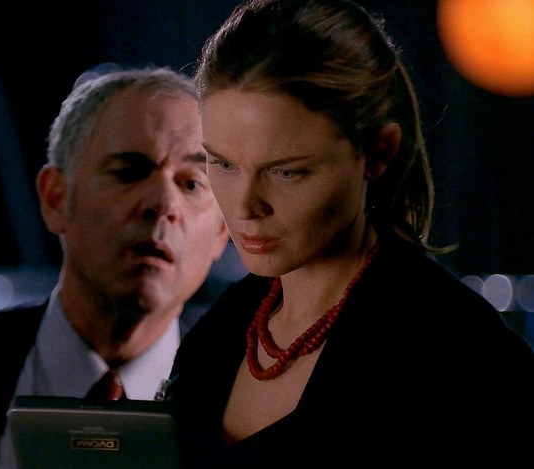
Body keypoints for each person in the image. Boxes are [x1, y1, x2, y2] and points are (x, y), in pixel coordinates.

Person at [166, 0, 534, 467]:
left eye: (286, 172)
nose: (244, 207)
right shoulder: (216, 334)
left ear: (378, 153)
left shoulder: (460, 352)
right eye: (222, 164)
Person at [0, 66, 230, 468]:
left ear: (221, 233)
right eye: (129, 172)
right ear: (56, 198)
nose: (163, 203)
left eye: (192, 183)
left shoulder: (249, 401)